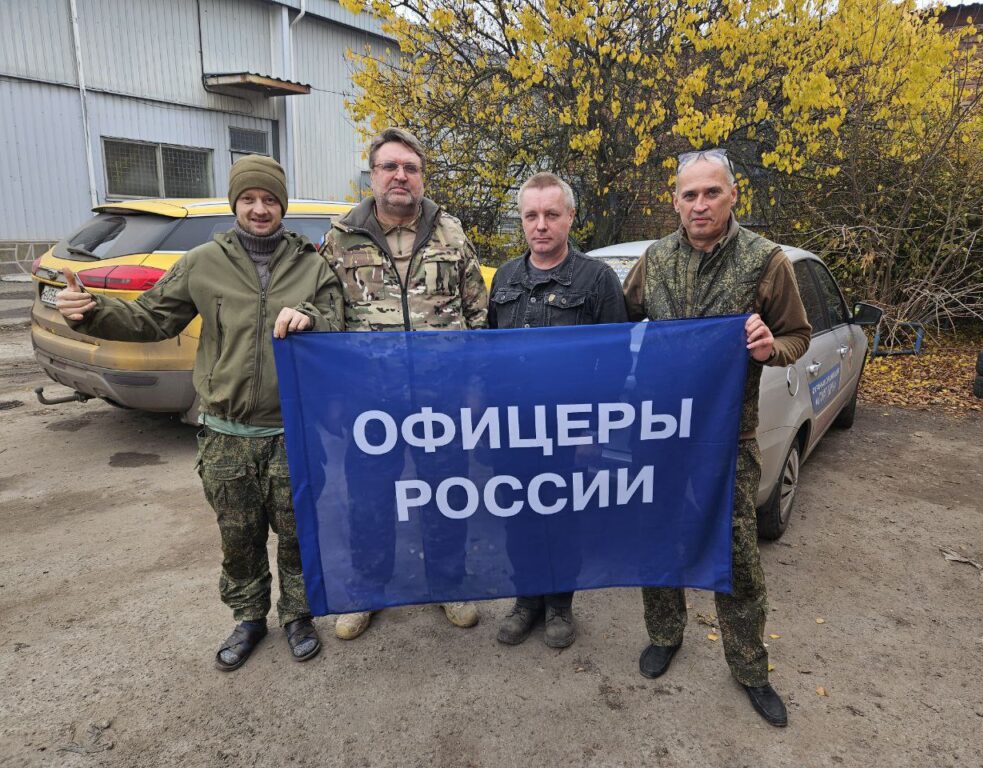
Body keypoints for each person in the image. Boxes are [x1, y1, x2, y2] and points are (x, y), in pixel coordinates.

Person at [55, 155, 344, 671]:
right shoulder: (203, 261)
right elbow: (151, 317)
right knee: (239, 535)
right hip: (226, 432)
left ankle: (298, 614)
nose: (260, 209)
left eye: (270, 199)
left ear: (283, 206)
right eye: (250, 199)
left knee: (299, 533)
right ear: (235, 203)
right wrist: (94, 312)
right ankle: (249, 617)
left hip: (294, 431)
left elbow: (338, 322)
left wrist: (313, 316)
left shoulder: (311, 264)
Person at [621, 148, 811, 727]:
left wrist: (768, 348)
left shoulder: (765, 261)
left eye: (711, 193)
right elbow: (620, 327)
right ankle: (664, 635)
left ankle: (751, 668)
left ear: (733, 196)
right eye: (689, 194)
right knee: (659, 542)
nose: (699, 204)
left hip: (728, 441)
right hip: (659, 437)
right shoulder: (654, 260)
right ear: (674, 201)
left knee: (737, 558)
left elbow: (798, 335)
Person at [322, 127, 489, 640]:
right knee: (369, 497)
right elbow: (326, 320)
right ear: (372, 175)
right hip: (371, 403)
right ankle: (368, 591)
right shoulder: (339, 238)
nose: (400, 176)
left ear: (421, 177)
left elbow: (476, 315)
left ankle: (449, 585)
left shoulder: (452, 235)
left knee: (445, 494)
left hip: (442, 402)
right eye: (390, 166)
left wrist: (476, 389)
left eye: (410, 168)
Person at [487, 172, 628, 648]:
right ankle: (526, 600)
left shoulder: (597, 280)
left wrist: (592, 431)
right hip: (513, 430)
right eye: (532, 215)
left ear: (570, 216)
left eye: (552, 214)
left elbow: (613, 365)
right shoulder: (506, 277)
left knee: (562, 518)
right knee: (518, 516)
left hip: (568, 431)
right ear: (521, 221)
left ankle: (560, 606)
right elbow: (488, 358)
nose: (541, 225)